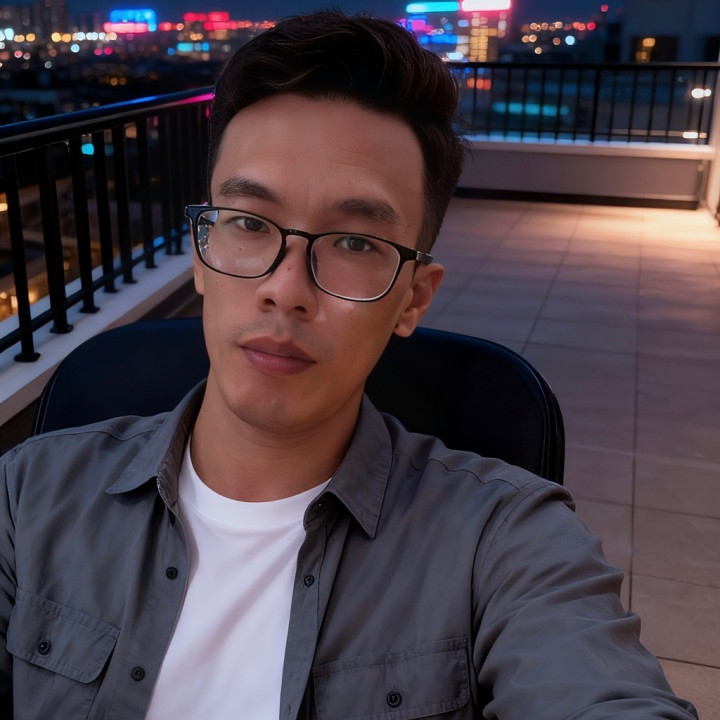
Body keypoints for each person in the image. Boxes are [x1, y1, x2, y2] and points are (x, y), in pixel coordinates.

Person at [0, 11, 698, 720]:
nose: (286, 289)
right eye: (249, 223)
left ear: (412, 298)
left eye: (356, 243)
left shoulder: (502, 540)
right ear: (201, 255)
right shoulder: (28, 497)